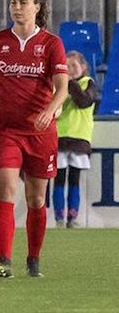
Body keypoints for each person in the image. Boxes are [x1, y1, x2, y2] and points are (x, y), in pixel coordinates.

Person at [0, 0, 68, 278]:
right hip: (4, 130)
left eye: (23, 2)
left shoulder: (51, 44)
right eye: (13, 2)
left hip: (39, 133)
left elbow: (63, 88)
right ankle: (4, 260)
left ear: (37, 7)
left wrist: (49, 110)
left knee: (36, 198)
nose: (17, 7)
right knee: (5, 191)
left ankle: (33, 260)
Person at [54, 50, 98, 228]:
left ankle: (72, 217)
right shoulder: (58, 86)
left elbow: (84, 102)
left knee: (74, 178)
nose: (70, 69)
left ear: (84, 67)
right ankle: (58, 217)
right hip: (59, 138)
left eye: (74, 65)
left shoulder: (88, 83)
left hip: (79, 140)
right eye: (67, 66)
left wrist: (70, 84)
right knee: (58, 179)